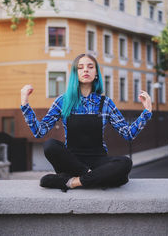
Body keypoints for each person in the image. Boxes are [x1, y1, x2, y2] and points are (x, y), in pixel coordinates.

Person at [21, 53, 152, 192]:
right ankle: (93, 178)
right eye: (80, 67)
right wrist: (25, 104)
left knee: (125, 163)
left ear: (96, 73)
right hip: (71, 162)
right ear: (75, 73)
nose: (85, 70)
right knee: (50, 145)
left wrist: (147, 112)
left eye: (90, 67)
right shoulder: (63, 101)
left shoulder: (105, 102)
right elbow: (39, 131)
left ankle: (71, 182)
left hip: (99, 161)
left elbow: (128, 134)